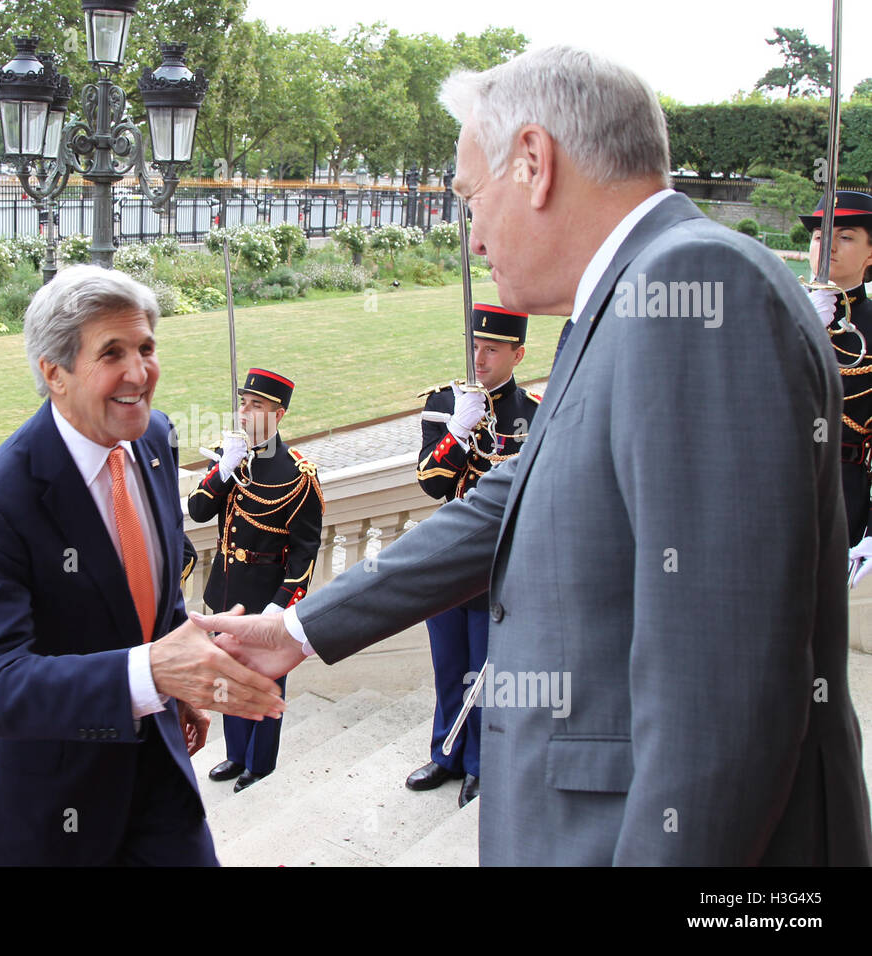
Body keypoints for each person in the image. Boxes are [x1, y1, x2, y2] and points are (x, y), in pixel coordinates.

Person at [193, 45, 872, 865]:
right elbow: (511, 499)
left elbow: (720, 699)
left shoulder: (693, 291)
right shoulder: (639, 293)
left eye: (469, 197)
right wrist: (299, 628)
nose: (472, 234)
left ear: (535, 163)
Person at [0, 265, 285, 866]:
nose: (140, 373)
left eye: (147, 347)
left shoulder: (154, 437)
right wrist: (153, 672)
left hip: (156, 776)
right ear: (54, 372)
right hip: (50, 809)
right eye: (112, 353)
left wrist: (180, 673)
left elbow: (156, 593)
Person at [408, 306, 539, 807]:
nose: (479, 358)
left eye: (493, 349)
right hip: (447, 559)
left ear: (517, 354)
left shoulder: (531, 412)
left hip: (498, 565)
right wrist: (458, 431)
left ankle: (483, 764)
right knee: (448, 665)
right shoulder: (446, 404)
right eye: (476, 347)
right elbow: (430, 482)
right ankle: (447, 754)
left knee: (486, 672)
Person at [188, 368, 324, 792]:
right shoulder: (229, 459)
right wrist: (223, 468)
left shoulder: (297, 475)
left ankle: (260, 765)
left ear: (278, 415)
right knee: (228, 676)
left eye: (256, 406)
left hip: (267, 600)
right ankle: (236, 754)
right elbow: (197, 511)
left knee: (264, 683)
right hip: (227, 591)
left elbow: (304, 553)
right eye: (243, 403)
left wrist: (278, 608)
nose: (244, 412)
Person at [802, 191, 872, 566]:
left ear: (870, 254)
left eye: (844, 236)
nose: (826, 245)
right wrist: (799, 328)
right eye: (818, 236)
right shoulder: (776, 311)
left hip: (843, 489)